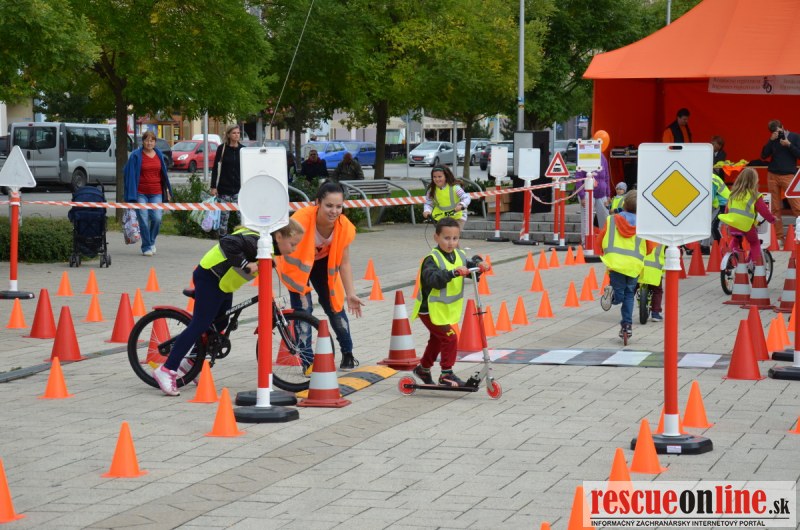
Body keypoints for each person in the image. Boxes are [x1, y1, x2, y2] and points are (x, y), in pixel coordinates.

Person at [152, 220, 305, 396]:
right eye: (293, 244)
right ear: (278, 236)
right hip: (210, 277)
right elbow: (227, 242)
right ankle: (167, 369)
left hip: (224, 284)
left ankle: (190, 364)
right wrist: (245, 264)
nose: (294, 249)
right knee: (200, 325)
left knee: (221, 323)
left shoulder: (268, 249)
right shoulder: (256, 241)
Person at [275, 181, 364, 370]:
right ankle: (307, 361)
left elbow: (344, 263)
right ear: (317, 203)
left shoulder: (344, 227)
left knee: (335, 306)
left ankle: (348, 354)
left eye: (338, 206)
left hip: (322, 264)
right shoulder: (300, 219)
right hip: (298, 268)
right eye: (329, 205)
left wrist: (350, 293)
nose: (334, 211)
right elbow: (281, 243)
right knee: (304, 311)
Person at [410, 217, 489, 387]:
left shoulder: (458, 255)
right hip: (429, 309)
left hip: (443, 309)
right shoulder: (432, 259)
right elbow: (433, 279)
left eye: (455, 238)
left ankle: (423, 369)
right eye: (446, 238)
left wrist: (479, 264)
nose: (451, 242)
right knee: (450, 337)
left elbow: (470, 266)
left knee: (437, 339)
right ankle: (446, 374)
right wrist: (453, 273)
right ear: (436, 237)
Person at [599, 190, 648, 339]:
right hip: (634, 264)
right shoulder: (644, 224)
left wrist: (601, 250)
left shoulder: (611, 220)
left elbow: (601, 237)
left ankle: (625, 321)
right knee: (628, 294)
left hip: (616, 263)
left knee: (622, 294)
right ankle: (627, 325)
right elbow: (650, 245)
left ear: (624, 204)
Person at [123, 130, 172, 256]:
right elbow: (127, 172)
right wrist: (130, 193)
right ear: (143, 142)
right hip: (141, 193)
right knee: (143, 220)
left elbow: (164, 175)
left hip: (156, 192)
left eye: (152, 140)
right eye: (146, 140)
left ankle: (151, 241)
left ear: (155, 142)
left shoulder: (159, 154)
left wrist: (167, 190)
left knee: (157, 219)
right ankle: (146, 247)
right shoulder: (136, 155)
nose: (149, 143)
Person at [718, 167, 776, 266]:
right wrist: (772, 219)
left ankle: (731, 259)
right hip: (746, 225)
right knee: (754, 242)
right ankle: (756, 264)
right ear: (754, 181)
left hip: (732, 224)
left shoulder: (733, 194)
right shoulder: (755, 195)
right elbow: (764, 211)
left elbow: (727, 210)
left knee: (736, 239)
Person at [761, 119, 800, 247]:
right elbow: (763, 155)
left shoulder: (794, 137)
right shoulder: (773, 139)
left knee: (797, 206)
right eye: (774, 132)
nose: (778, 133)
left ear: (783, 127)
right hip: (773, 174)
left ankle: (799, 235)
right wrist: (771, 140)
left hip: (788, 175)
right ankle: (778, 237)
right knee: (775, 208)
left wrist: (789, 144)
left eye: (779, 131)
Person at [210, 125, 244, 237]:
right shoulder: (222, 149)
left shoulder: (243, 150)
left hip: (239, 189)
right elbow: (215, 168)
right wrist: (213, 186)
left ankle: (245, 239)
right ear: (228, 135)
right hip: (224, 189)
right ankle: (223, 240)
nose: (236, 135)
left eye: (238, 133)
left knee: (242, 217)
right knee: (224, 218)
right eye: (234, 133)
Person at [422, 165, 471, 230]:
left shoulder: (455, 188)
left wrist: (462, 205)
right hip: (442, 217)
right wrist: (427, 211)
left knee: (451, 234)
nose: (437, 179)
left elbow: (466, 197)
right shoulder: (432, 190)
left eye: (440, 177)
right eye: (434, 177)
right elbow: (428, 203)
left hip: (458, 216)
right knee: (443, 235)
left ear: (446, 176)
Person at [576, 153, 610, 245]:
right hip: (586, 193)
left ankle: (606, 243)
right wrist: (582, 196)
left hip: (602, 194)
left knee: (605, 219)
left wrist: (608, 194)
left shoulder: (603, 158)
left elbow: (607, 177)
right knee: (587, 219)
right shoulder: (583, 156)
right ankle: (585, 243)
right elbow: (578, 178)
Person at [640, 244, 665, 323]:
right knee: (657, 291)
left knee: (631, 289)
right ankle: (655, 313)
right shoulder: (663, 240)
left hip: (640, 267)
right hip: (655, 268)